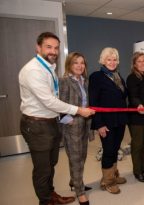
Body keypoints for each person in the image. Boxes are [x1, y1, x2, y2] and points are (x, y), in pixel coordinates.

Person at [19, 32, 95, 205]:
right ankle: (47, 200)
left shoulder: (49, 68)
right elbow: (51, 101)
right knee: (43, 169)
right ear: (38, 47)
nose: (53, 51)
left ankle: (51, 195)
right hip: (37, 125)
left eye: (56, 48)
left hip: (50, 123)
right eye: (48, 47)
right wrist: (77, 113)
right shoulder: (33, 70)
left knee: (51, 164)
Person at [89, 47, 128, 194]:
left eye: (114, 59)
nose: (112, 62)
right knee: (108, 150)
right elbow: (94, 103)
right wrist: (99, 125)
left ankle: (113, 175)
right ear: (103, 60)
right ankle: (108, 182)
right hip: (106, 122)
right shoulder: (96, 77)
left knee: (115, 148)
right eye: (108, 59)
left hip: (120, 120)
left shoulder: (117, 76)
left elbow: (123, 96)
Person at [59, 52, 94, 205]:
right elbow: (59, 102)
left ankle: (75, 181)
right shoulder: (65, 81)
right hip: (72, 125)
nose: (80, 66)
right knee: (75, 158)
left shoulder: (84, 81)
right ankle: (80, 192)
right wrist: (67, 119)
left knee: (83, 156)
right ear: (69, 65)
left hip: (85, 124)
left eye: (82, 63)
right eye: (75, 63)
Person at [126, 52, 144, 183]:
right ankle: (137, 171)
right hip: (136, 117)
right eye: (139, 61)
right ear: (134, 64)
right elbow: (133, 96)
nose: (143, 63)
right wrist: (138, 105)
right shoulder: (132, 78)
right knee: (137, 146)